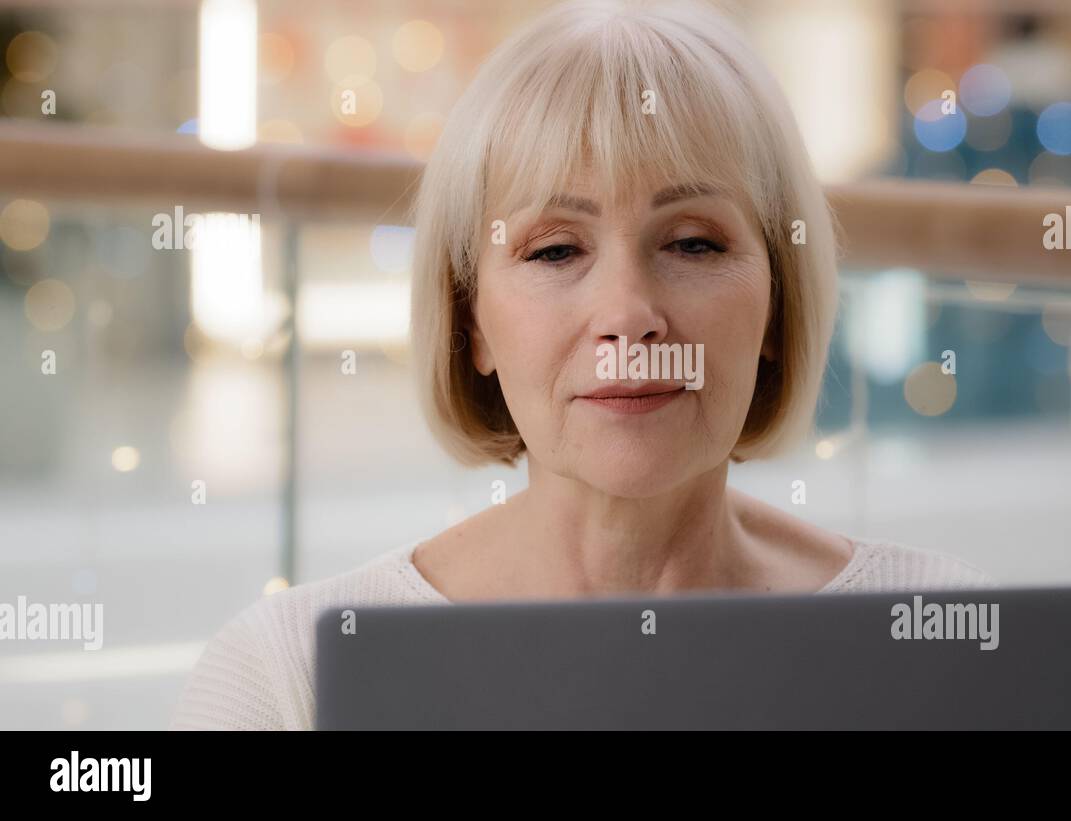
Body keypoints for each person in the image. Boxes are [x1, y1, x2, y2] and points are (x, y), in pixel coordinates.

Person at [172, 0, 991, 731]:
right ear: (472, 324)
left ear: (777, 304)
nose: (629, 315)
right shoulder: (288, 682)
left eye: (694, 242)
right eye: (556, 249)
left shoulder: (944, 634)